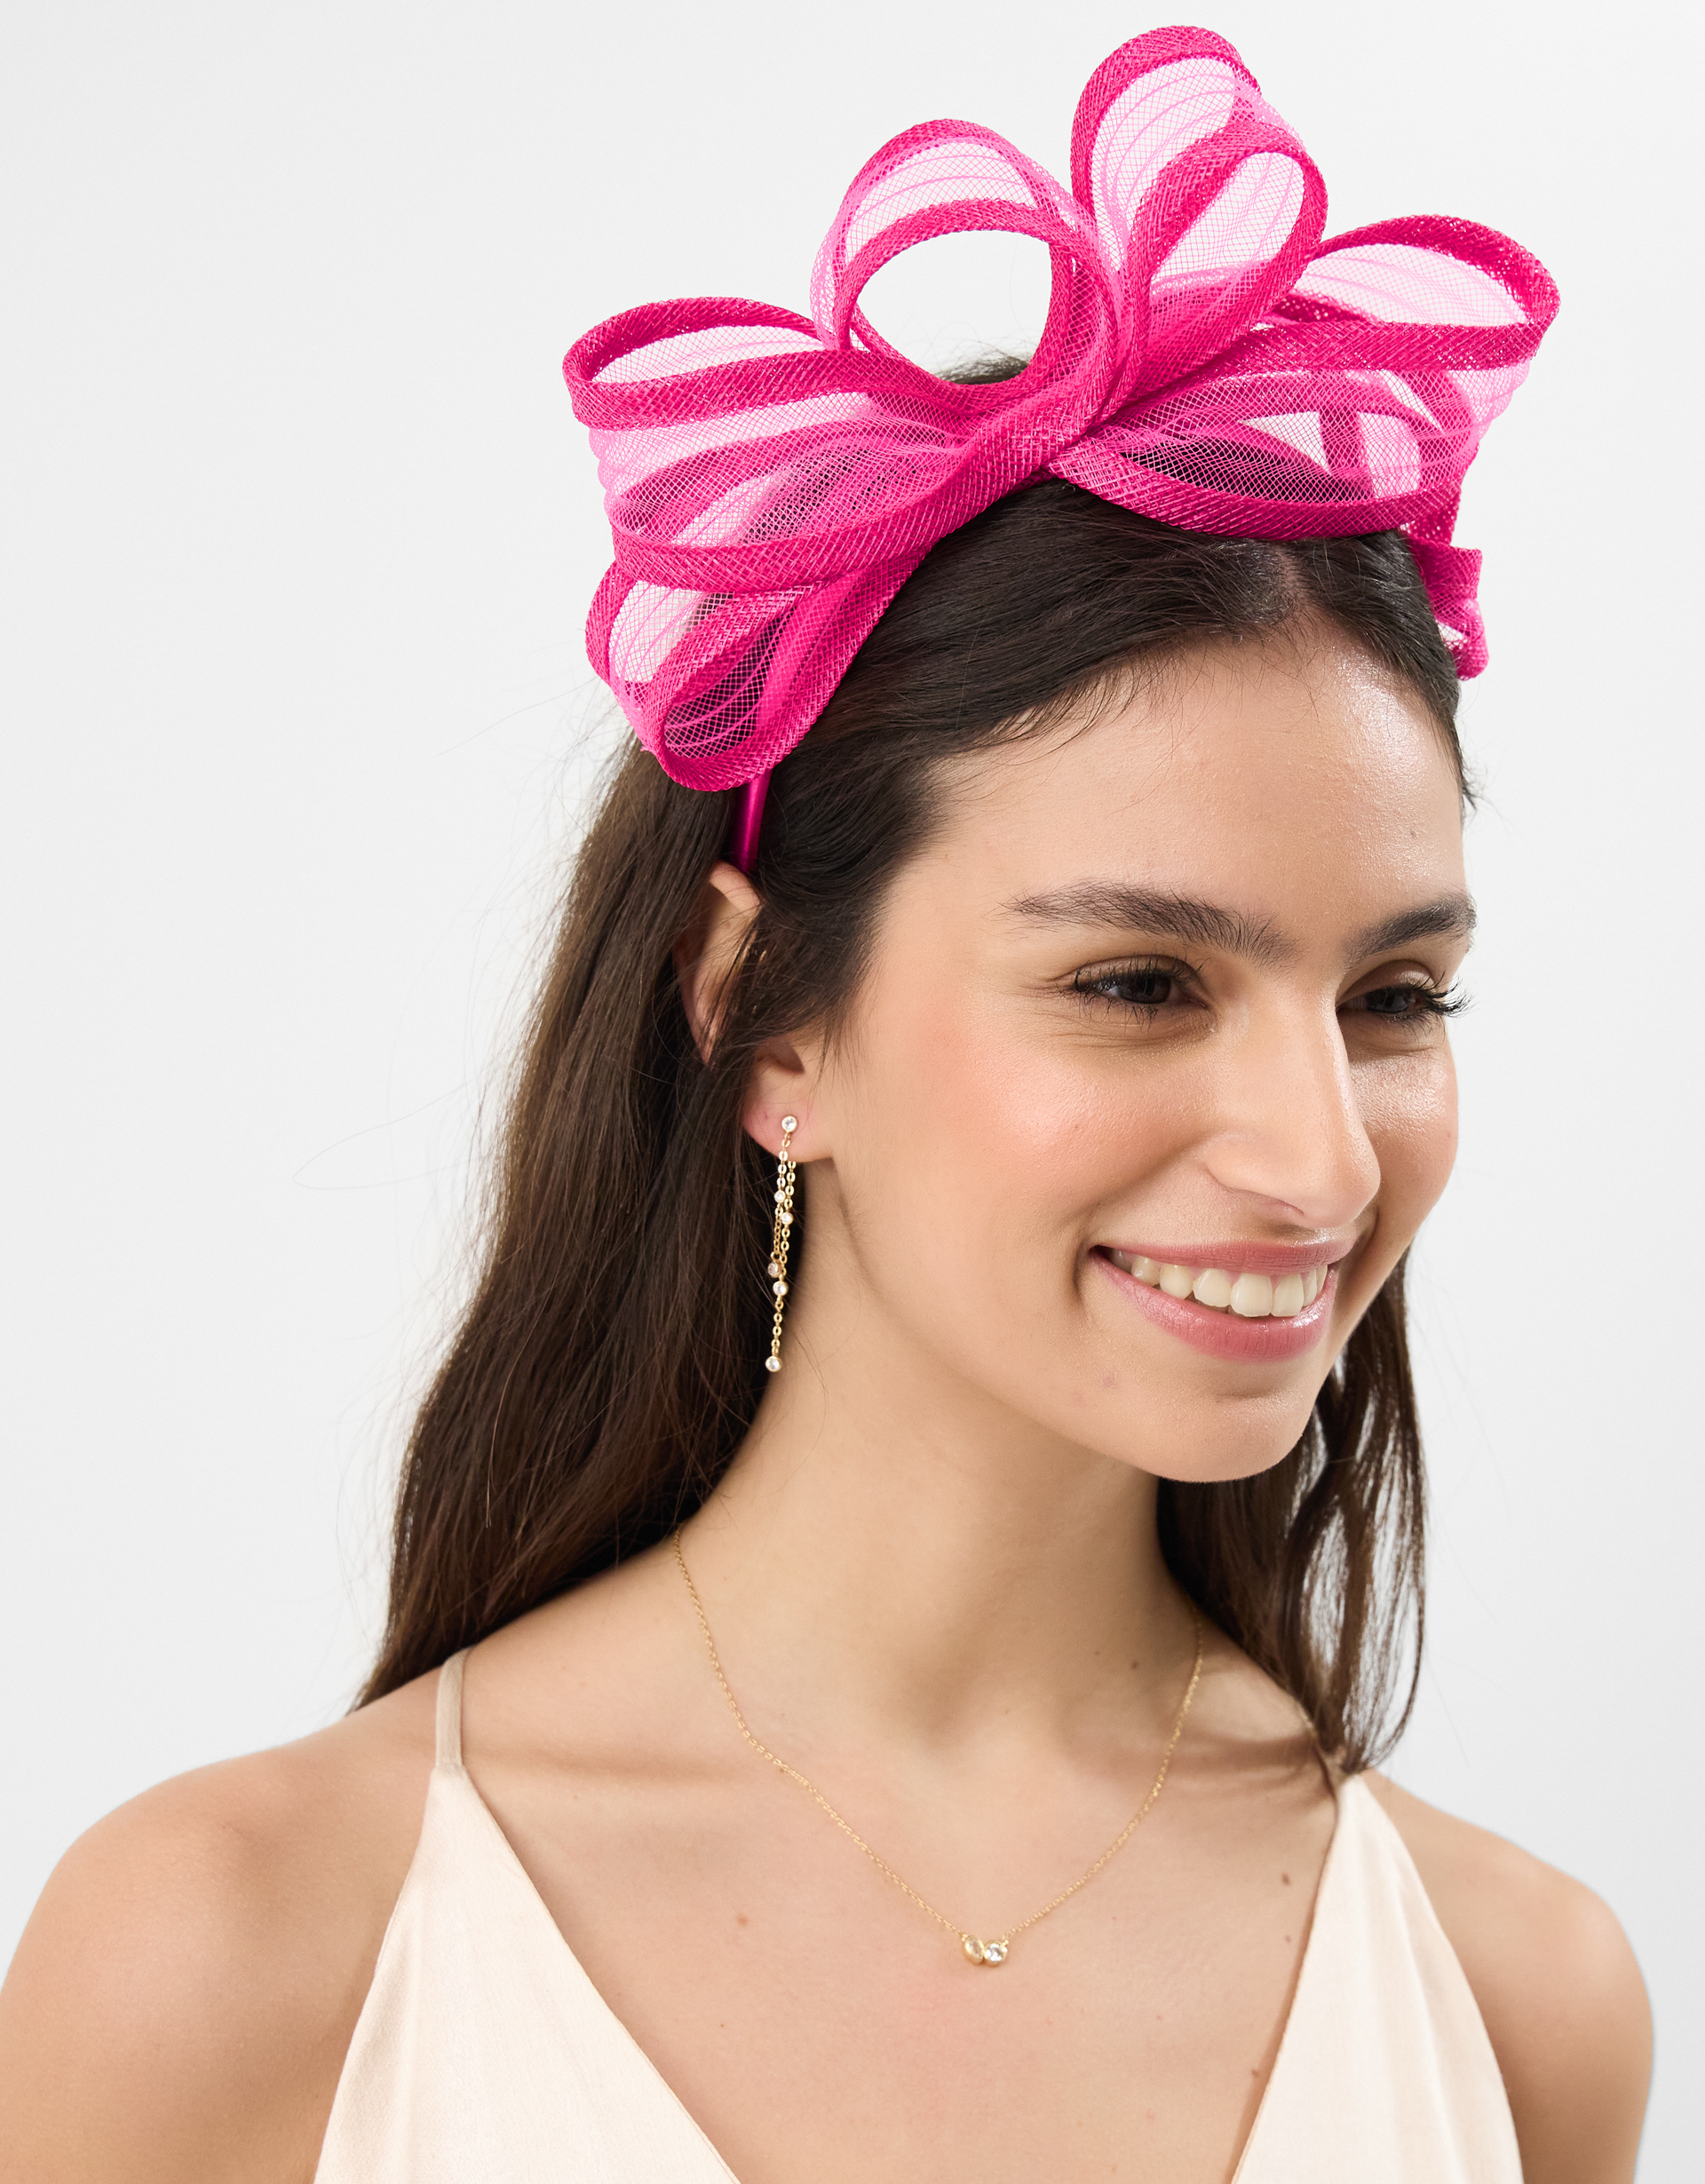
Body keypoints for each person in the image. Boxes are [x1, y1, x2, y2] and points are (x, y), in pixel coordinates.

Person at [0, 28, 1651, 2183]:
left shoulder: (1519, 2010)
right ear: (766, 1021)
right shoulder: (237, 1960)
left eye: (1394, 997)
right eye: (1138, 984)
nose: (1324, 1156)